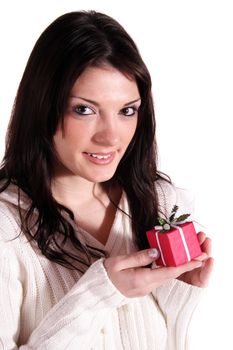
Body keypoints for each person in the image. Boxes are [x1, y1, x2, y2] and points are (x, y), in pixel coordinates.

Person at [0, 10, 213, 350]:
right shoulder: (6, 231)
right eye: (84, 109)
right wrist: (99, 294)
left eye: (127, 110)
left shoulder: (161, 204)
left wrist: (179, 296)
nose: (111, 137)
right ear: (43, 107)